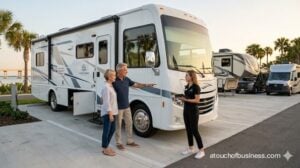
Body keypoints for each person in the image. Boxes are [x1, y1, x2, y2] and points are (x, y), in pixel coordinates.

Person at [113, 63, 155, 150]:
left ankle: (129, 141)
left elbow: (136, 85)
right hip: (118, 107)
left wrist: (146, 85)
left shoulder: (126, 79)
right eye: (125, 70)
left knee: (129, 123)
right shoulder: (114, 81)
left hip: (127, 106)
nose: (127, 71)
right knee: (118, 125)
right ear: (119, 71)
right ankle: (118, 142)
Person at [178, 70, 205, 159]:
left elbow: (197, 100)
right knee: (188, 130)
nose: (185, 77)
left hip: (193, 111)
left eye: (187, 75)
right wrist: (181, 98)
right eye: (185, 75)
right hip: (186, 110)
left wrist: (186, 100)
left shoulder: (196, 87)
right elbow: (187, 97)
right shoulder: (186, 87)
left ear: (191, 77)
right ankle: (191, 148)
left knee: (194, 130)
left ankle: (201, 150)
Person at [101, 69, 118, 156]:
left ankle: (106, 146)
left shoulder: (111, 86)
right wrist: (110, 114)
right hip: (108, 113)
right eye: (113, 75)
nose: (115, 77)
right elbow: (106, 102)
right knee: (106, 131)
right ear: (109, 77)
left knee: (112, 129)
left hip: (113, 112)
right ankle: (105, 148)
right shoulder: (106, 87)